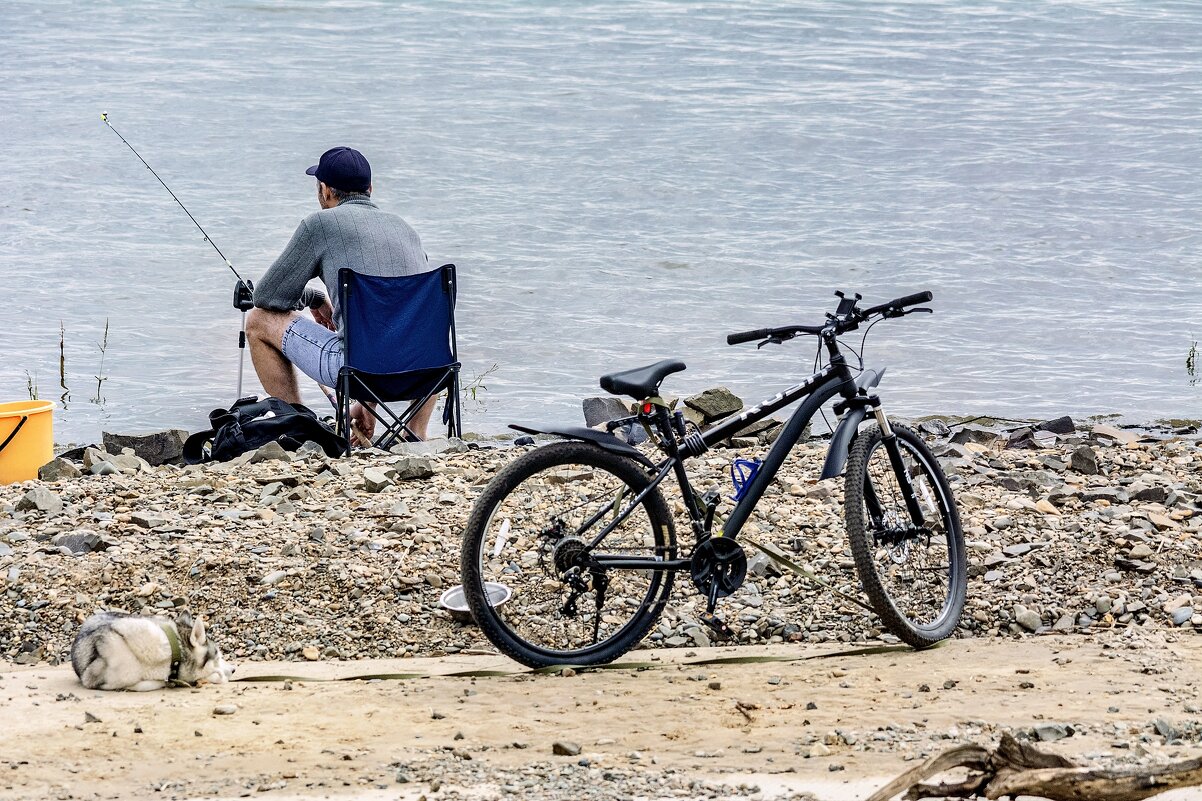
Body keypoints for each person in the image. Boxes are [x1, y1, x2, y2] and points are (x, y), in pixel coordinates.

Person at [246, 146, 436, 442]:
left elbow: (268, 297)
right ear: (370, 189)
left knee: (258, 321)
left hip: (360, 369)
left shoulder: (319, 225)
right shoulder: (406, 229)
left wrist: (312, 297)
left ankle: (297, 430)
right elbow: (393, 315)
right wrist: (367, 401)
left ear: (325, 190)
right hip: (428, 369)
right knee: (408, 330)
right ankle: (414, 433)